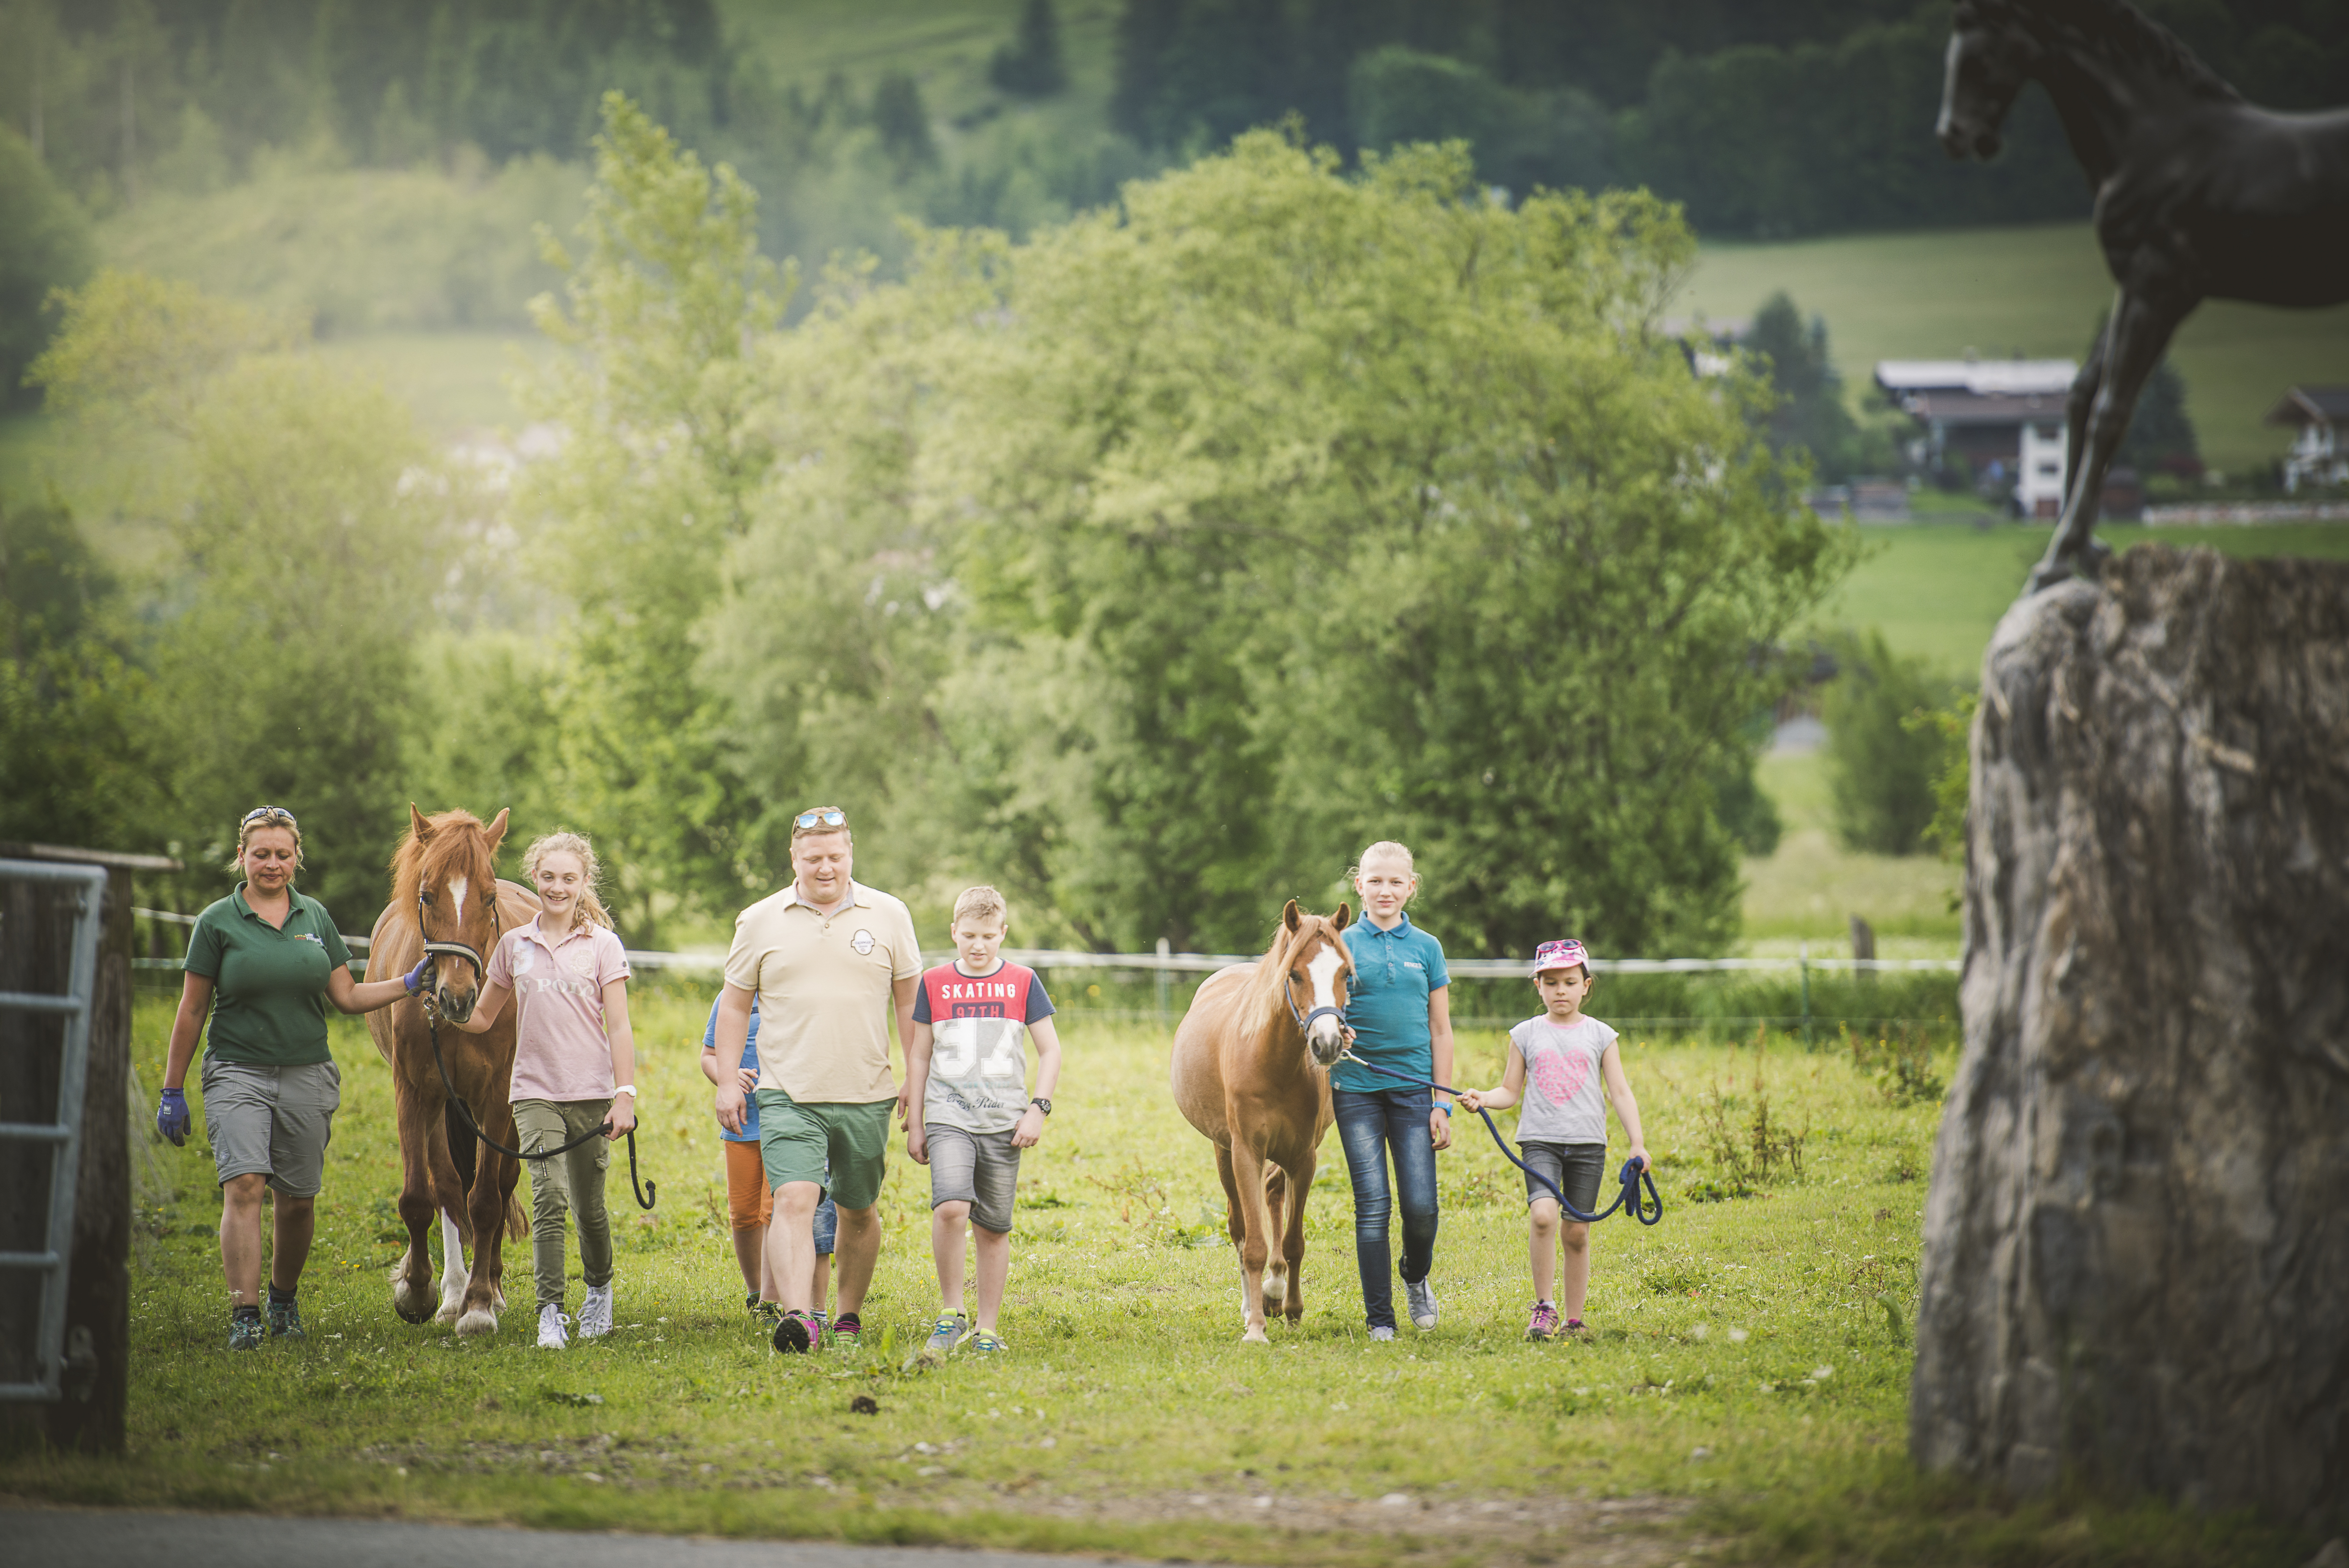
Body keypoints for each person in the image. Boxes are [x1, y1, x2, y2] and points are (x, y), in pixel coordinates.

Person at [155, 806, 432, 1349]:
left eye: (283, 854)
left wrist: (408, 981)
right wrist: (171, 1088)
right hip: (236, 1071)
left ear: (296, 859)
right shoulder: (216, 922)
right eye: (261, 854)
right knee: (245, 1186)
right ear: (243, 857)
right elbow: (191, 1011)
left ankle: (283, 1300)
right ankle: (246, 1313)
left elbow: (348, 996)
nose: (272, 864)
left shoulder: (315, 919)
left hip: (308, 1074)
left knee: (298, 1198)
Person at [710, 807, 921, 1354]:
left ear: (850, 852)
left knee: (857, 1209)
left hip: (866, 1091)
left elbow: (909, 1004)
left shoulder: (891, 914)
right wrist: (728, 1081)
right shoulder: (758, 920)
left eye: (836, 856)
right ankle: (800, 1318)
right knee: (794, 1199)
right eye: (814, 858)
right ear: (794, 858)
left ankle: (847, 1315)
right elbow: (733, 1009)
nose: (826, 868)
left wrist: (917, 1078)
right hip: (788, 1092)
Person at [445, 831, 638, 1351]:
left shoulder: (603, 945)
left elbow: (619, 1027)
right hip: (533, 1091)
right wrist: (447, 1013)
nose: (557, 887)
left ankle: (599, 1291)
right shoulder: (513, 946)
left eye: (568, 879)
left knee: (589, 1208)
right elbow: (483, 1016)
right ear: (535, 878)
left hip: (592, 1092)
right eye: (548, 877)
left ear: (583, 883)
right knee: (548, 1197)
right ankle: (549, 1312)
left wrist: (625, 1095)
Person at [1458, 939, 1650, 1341]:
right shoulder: (1525, 1034)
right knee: (1543, 1216)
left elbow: (1620, 1091)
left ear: (1586, 985)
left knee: (1577, 1232)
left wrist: (1637, 1142)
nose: (1560, 990)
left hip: (1588, 1145)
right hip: (1540, 1142)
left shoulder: (1601, 1035)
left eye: (1569, 981)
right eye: (1551, 982)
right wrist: (1483, 1098)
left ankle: (1574, 1319)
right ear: (1538, 987)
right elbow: (1510, 1091)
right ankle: (1544, 1307)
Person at [904, 886, 1064, 1360]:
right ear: (954, 931)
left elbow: (1050, 1050)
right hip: (948, 1114)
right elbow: (918, 1052)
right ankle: (952, 1312)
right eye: (969, 935)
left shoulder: (1023, 981)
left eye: (988, 936)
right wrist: (916, 1122)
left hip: (1003, 1120)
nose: (978, 945)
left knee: (993, 1227)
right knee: (951, 1206)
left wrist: (1039, 1108)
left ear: (1003, 934)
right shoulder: (933, 982)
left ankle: (987, 1327)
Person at [1332, 840, 1455, 1341]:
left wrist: (1441, 1101)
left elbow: (1441, 1029)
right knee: (1374, 1206)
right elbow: (1326, 1009)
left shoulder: (1427, 948)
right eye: (1375, 880)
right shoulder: (1342, 943)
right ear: (1359, 884)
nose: (1386, 890)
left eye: (1396, 881)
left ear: (1411, 887)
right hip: (1356, 1089)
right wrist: (1338, 1031)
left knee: (1422, 1207)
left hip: (1413, 1093)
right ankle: (1380, 1318)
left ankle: (1415, 1275)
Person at [699, 993, 837, 1329]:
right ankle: (755, 1291)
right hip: (744, 1121)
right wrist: (727, 1078)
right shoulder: (732, 997)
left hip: (790, 1120)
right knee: (743, 1214)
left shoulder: (800, 991)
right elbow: (709, 1055)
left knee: (776, 1210)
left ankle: (770, 1302)